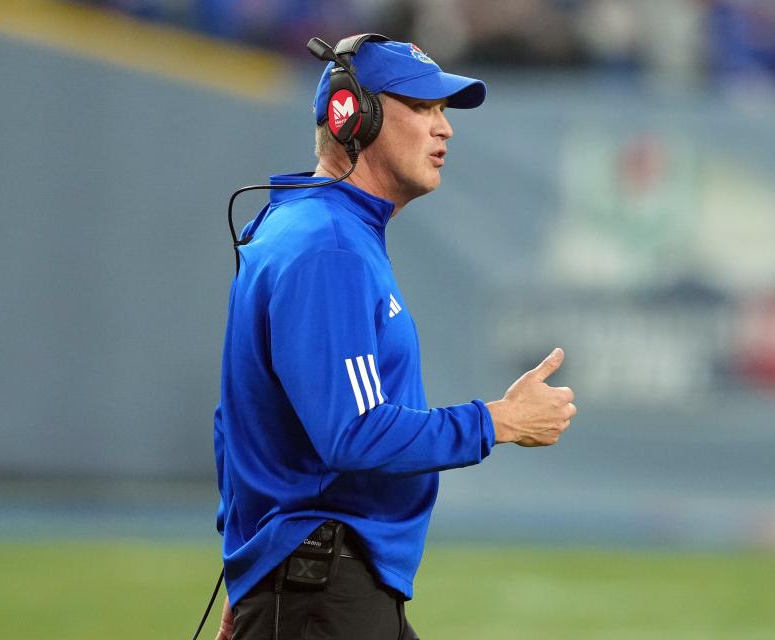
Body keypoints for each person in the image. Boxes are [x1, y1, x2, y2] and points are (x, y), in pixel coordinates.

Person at [213, 35, 576, 640]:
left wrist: (254, 565)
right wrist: (501, 420)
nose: (445, 129)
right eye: (423, 107)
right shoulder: (331, 247)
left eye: (444, 111)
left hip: (311, 584)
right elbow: (352, 433)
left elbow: (238, 422)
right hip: (324, 593)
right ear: (354, 115)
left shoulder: (304, 226)